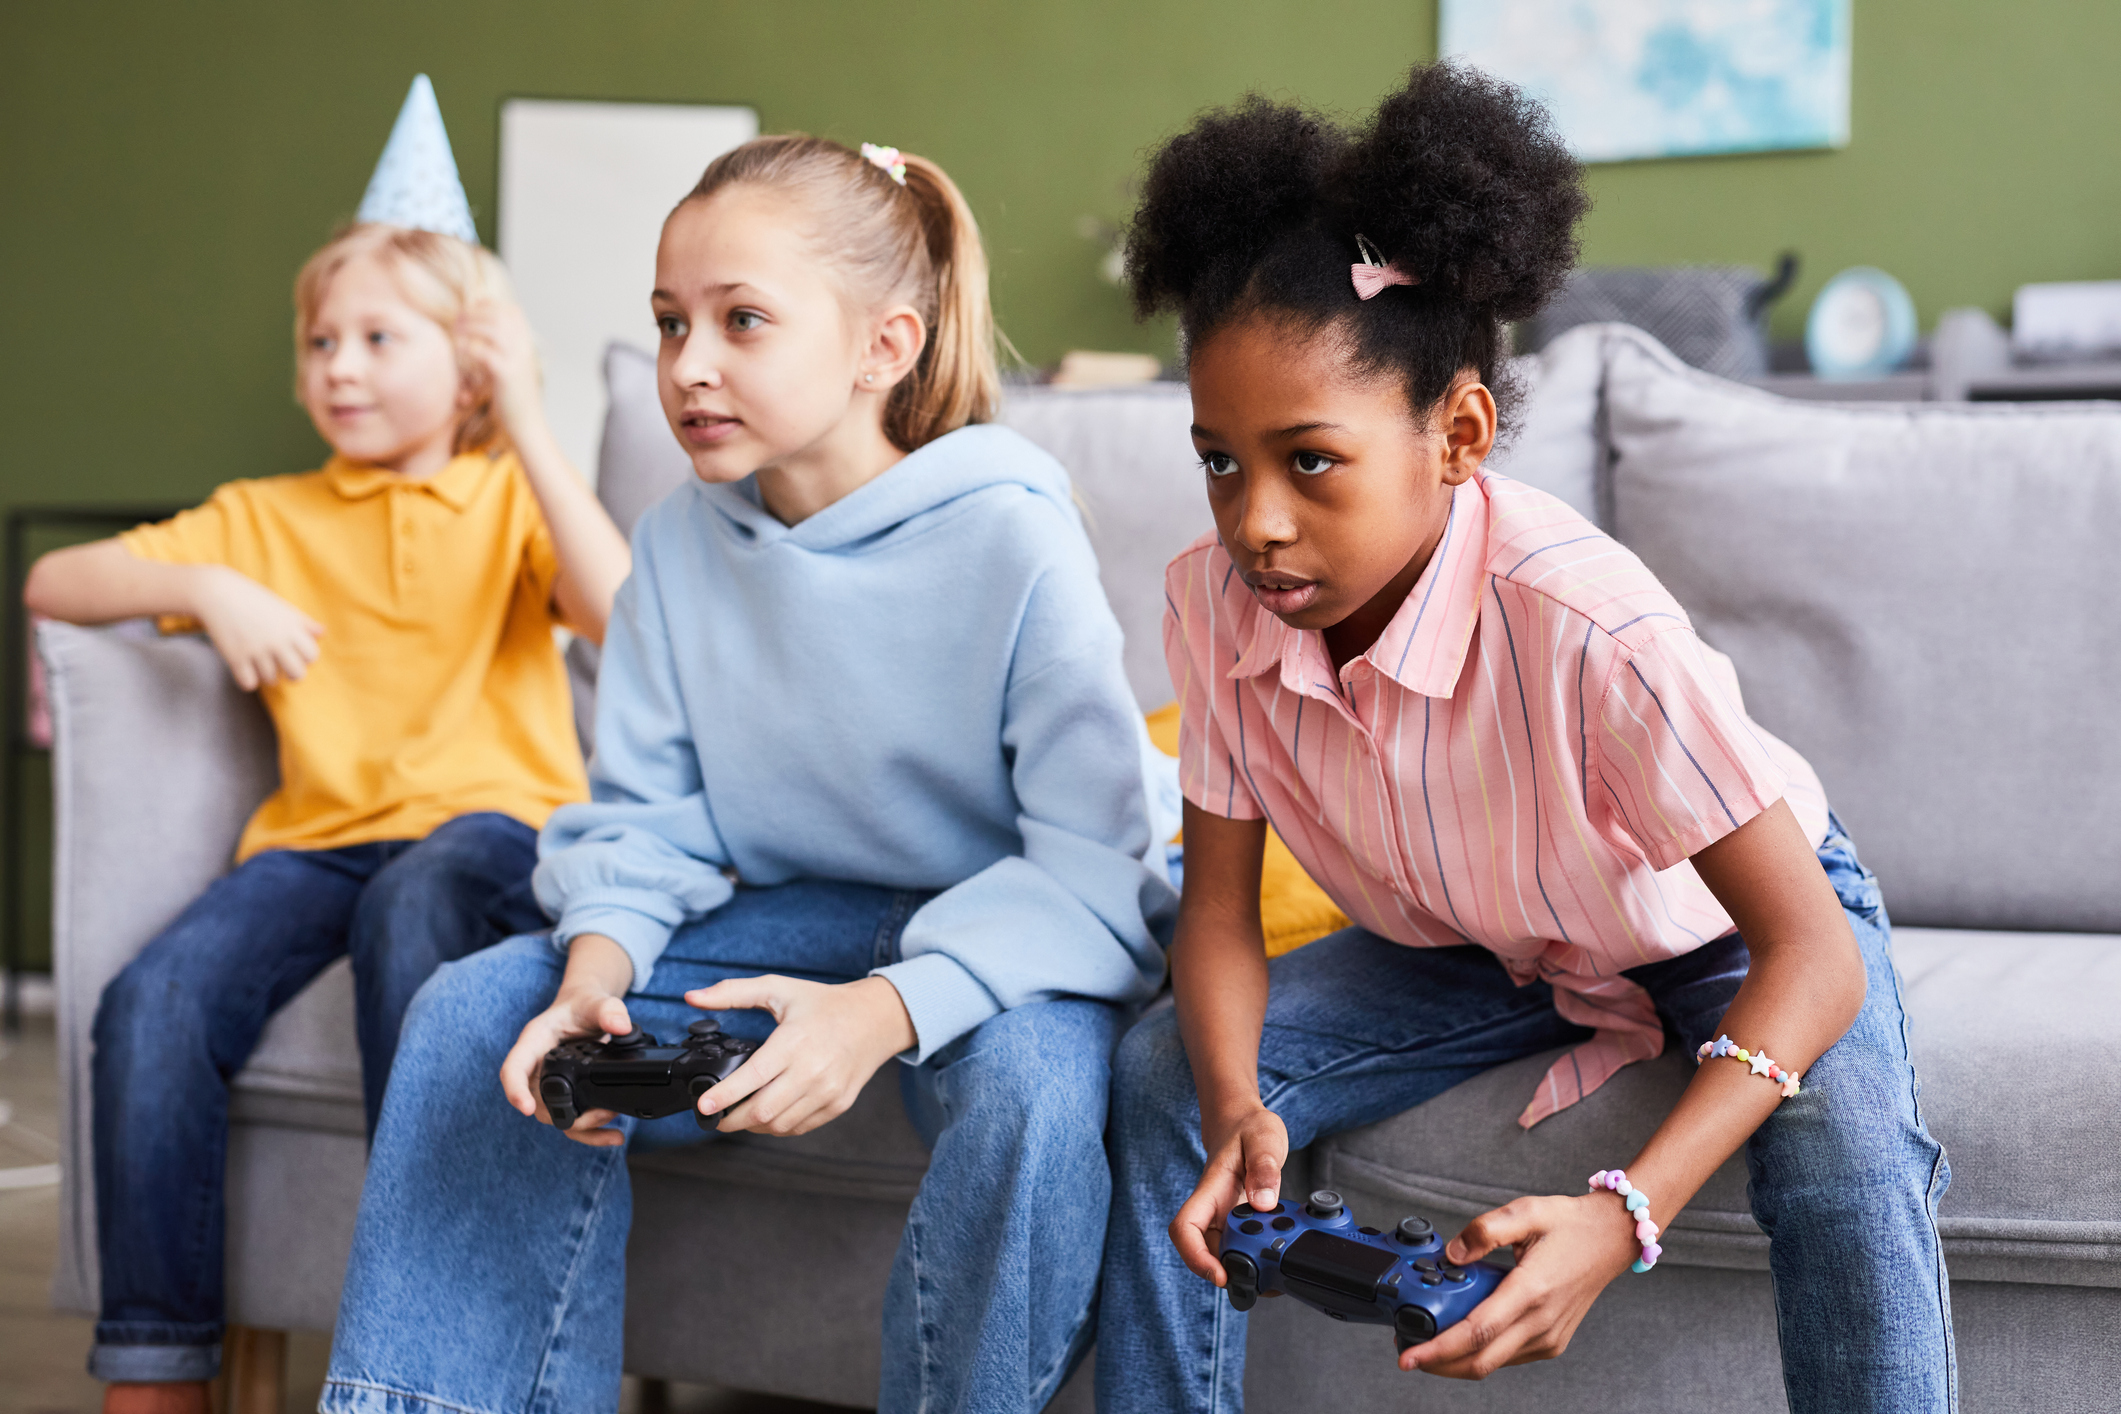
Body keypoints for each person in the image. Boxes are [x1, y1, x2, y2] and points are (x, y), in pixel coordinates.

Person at [1095, 65, 1954, 1414]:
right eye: (1220, 461)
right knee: (1155, 1065)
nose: (1253, 520)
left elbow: (1813, 953)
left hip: (1708, 931)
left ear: (1459, 435)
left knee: (1841, 1148)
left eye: (1308, 460)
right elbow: (1216, 914)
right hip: (1480, 946)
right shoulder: (1212, 605)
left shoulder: (1581, 622)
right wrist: (1232, 1100)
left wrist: (1623, 1212)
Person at [320, 135, 1175, 1414]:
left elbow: (1094, 865)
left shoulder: (1012, 532)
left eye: (742, 321)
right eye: (669, 323)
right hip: (790, 906)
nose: (689, 365)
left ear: (884, 346)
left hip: (1006, 921)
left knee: (1041, 1102)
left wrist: (883, 1011)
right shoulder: (676, 543)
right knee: (468, 1012)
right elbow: (647, 823)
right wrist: (593, 976)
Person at [24, 212, 631, 1408]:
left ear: (467, 367)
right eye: (318, 341)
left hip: (493, 833)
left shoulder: (507, 498)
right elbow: (52, 581)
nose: (337, 366)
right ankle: (156, 1368)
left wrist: (523, 422)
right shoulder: (263, 518)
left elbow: (622, 614)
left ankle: (425, 1347)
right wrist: (199, 583)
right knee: (153, 1001)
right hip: (318, 840)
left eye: (374, 338)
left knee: (413, 906)